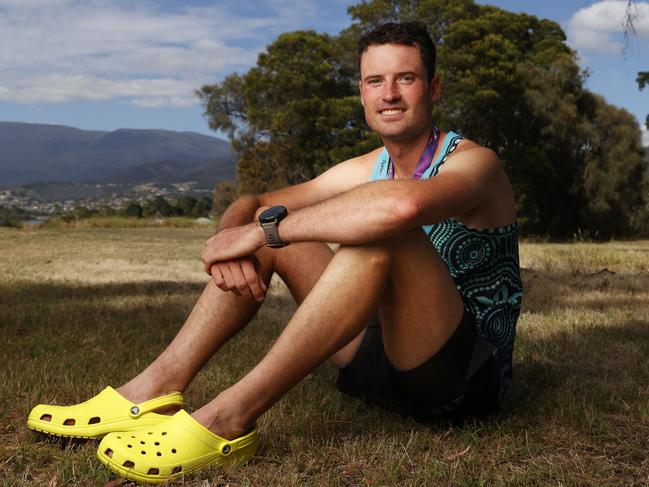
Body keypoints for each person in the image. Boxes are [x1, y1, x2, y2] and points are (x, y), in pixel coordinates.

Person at [27, 21, 523, 484]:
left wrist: (263, 232)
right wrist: (232, 237)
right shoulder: (365, 166)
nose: (388, 93)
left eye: (406, 78)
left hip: (459, 378)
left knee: (376, 235)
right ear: (362, 93)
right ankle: (152, 390)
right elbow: (258, 203)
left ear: (433, 89)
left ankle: (227, 417)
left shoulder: (476, 163)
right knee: (276, 227)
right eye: (375, 81)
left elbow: (400, 209)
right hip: (377, 364)